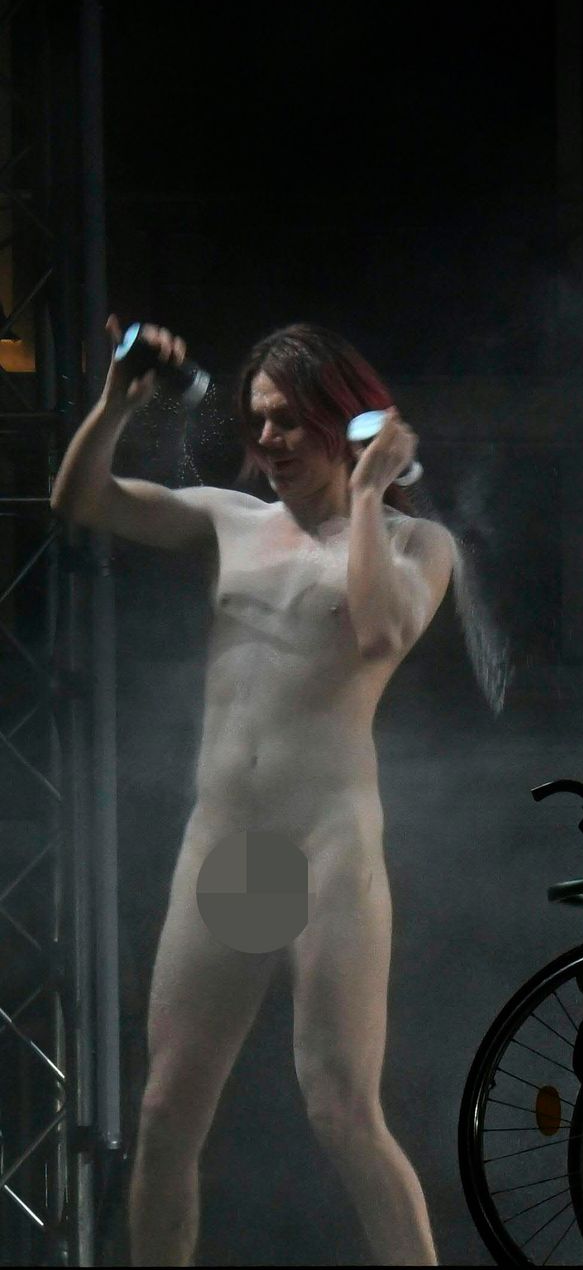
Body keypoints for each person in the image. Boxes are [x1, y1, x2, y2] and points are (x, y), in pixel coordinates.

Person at [55, 321, 452, 1265]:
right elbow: (81, 500)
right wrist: (117, 404)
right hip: (232, 853)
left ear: (345, 425)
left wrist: (363, 494)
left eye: (289, 423)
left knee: (342, 1107)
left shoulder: (413, 539)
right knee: (164, 1111)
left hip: (324, 850)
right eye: (258, 420)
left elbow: (381, 633)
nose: (268, 441)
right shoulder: (230, 521)